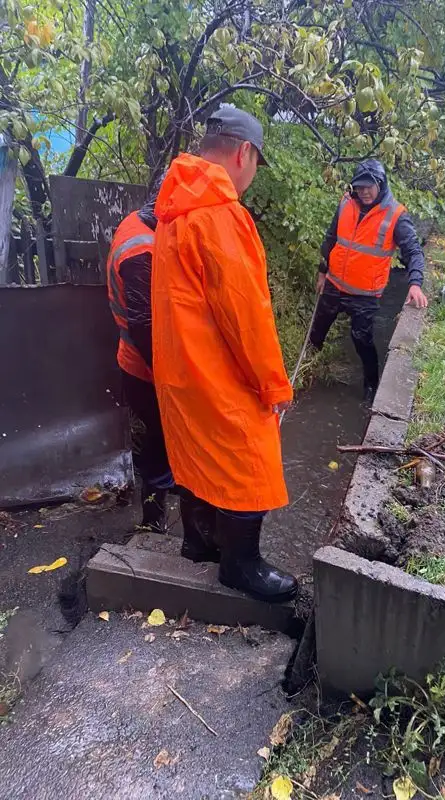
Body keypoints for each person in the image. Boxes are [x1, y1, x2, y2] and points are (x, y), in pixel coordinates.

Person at [151, 106, 297, 603]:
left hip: (180, 368)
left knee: (195, 454)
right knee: (249, 453)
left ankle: (200, 542)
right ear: (244, 152)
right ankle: (241, 565)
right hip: (217, 367)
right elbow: (246, 316)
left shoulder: (174, 210)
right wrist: (274, 386)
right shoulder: (221, 216)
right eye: (254, 164)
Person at [310, 159, 428, 403]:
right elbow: (331, 238)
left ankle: (371, 385)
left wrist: (415, 283)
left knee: (361, 338)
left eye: (369, 187)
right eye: (359, 187)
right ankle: (308, 369)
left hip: (365, 294)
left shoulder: (396, 215)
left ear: (381, 184)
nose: (363, 192)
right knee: (318, 328)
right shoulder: (345, 203)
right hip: (334, 284)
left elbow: (413, 251)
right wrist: (322, 271)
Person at [107, 193, 175, 531]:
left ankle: (166, 484)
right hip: (145, 366)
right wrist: (167, 376)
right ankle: (153, 513)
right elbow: (145, 326)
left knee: (165, 434)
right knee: (163, 433)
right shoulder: (141, 250)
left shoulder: (142, 222)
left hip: (142, 360)